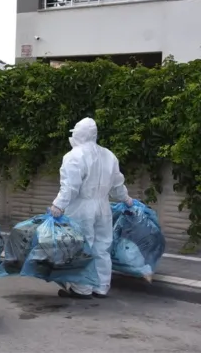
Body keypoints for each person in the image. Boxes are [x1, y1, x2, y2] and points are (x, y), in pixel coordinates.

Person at [49, 117, 133, 300]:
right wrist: (126, 199)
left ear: (79, 133)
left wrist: (58, 205)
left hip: (81, 207)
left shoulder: (73, 156)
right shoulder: (109, 155)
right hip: (103, 206)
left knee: (82, 246)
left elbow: (70, 186)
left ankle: (82, 289)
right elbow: (118, 183)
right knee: (102, 247)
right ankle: (101, 287)